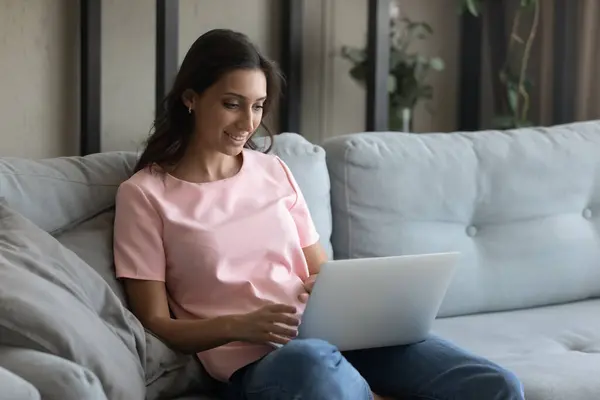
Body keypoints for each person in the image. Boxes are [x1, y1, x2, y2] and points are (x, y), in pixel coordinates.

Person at [113, 29, 525, 400]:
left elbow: (320, 271)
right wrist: (239, 326)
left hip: (333, 339)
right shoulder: (145, 196)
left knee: (495, 385)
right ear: (191, 99)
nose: (248, 123)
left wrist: (332, 293)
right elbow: (155, 321)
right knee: (313, 362)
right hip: (262, 365)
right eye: (231, 104)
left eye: (257, 107)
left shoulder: (273, 170)